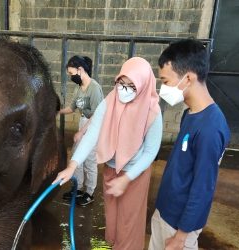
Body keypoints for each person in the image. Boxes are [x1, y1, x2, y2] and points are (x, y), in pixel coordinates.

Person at [54, 57, 163, 249]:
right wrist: (73, 165)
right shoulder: (110, 101)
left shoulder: (152, 110)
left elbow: (150, 152)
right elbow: (92, 133)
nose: (124, 89)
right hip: (111, 169)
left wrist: (127, 177)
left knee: (129, 221)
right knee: (112, 217)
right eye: (122, 82)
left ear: (144, 85)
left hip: (135, 175)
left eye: (132, 85)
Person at [148, 39, 230, 250]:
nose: (162, 88)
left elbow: (203, 188)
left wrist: (181, 236)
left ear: (188, 78)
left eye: (165, 81)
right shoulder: (189, 114)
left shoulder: (211, 127)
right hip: (165, 211)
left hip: (178, 226)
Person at [59, 55, 104, 206]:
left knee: (90, 160)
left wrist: (81, 132)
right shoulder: (79, 88)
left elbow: (97, 115)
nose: (71, 77)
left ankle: (89, 192)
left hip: (94, 125)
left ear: (80, 70)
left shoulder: (94, 88)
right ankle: (77, 188)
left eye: (72, 74)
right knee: (77, 157)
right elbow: (72, 108)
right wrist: (56, 111)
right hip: (83, 121)